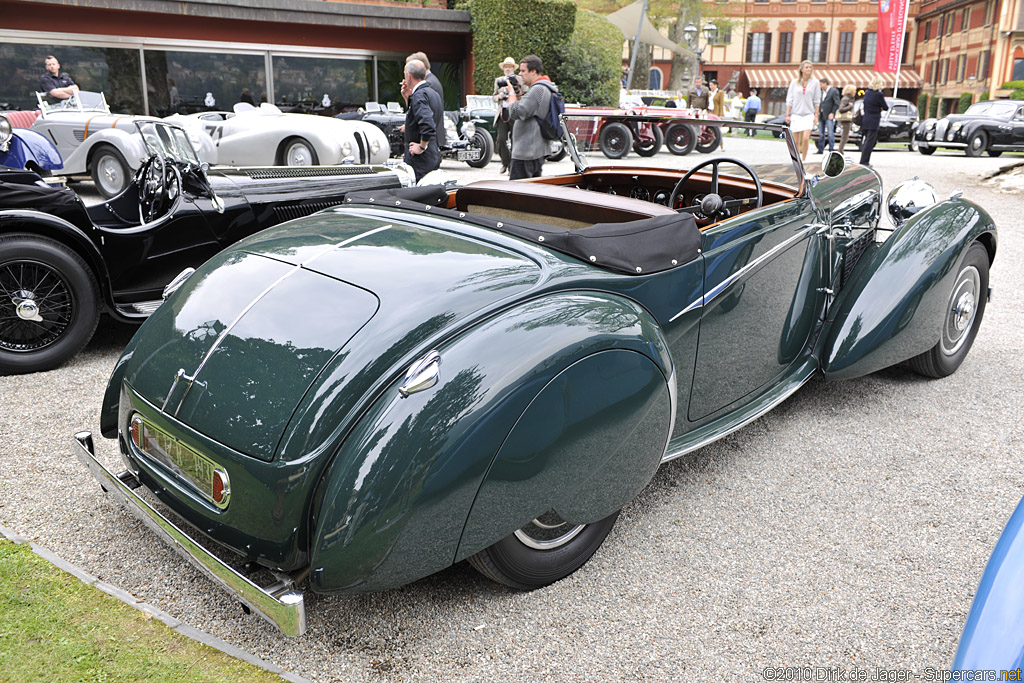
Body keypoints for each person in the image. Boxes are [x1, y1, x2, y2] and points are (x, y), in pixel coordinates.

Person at [504, 55, 558, 181]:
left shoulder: (538, 89)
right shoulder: (546, 87)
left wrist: (511, 95)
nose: (520, 74)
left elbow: (518, 112)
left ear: (533, 71)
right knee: (531, 194)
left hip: (526, 152)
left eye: (523, 71)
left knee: (517, 196)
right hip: (535, 151)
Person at [401, 60, 443, 182]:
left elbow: (428, 124)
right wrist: (408, 98)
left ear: (409, 75)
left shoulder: (420, 95)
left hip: (420, 159)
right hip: (432, 154)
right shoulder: (433, 93)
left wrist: (421, 147)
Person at [407, 52, 445, 148]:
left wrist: (422, 146)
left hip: (428, 142)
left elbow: (427, 119)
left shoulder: (425, 87)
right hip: (433, 140)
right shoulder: (432, 82)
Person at [785, 60, 821, 160]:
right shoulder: (794, 82)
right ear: (801, 69)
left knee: (805, 138)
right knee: (795, 141)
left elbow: (817, 100)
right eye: (806, 67)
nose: (808, 69)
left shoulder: (815, 83)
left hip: (808, 114)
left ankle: (804, 159)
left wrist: (816, 115)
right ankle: (796, 160)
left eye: (810, 67)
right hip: (796, 114)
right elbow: (790, 99)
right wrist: (787, 114)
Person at [492, 57, 520, 175]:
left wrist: (515, 92)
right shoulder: (499, 81)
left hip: (514, 112)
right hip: (503, 112)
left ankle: (513, 165)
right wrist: (499, 96)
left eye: (509, 67)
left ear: (513, 68)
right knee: (501, 139)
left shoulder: (519, 80)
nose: (507, 69)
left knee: (515, 140)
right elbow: (493, 96)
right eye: (506, 67)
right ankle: (505, 162)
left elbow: (524, 94)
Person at [859, 75, 889, 167]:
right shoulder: (879, 94)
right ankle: (864, 161)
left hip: (866, 118)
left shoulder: (867, 93)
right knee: (870, 141)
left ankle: (863, 159)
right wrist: (879, 108)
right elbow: (886, 107)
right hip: (874, 119)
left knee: (867, 140)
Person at [815, 77, 841, 154]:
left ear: (825, 83)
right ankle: (820, 149)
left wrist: (832, 113)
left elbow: (837, 103)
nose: (820, 86)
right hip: (821, 114)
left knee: (830, 133)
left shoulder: (833, 91)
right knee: (821, 133)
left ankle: (831, 149)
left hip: (829, 115)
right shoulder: (821, 92)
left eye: (821, 84)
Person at [836, 84, 856, 154]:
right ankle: (840, 150)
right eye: (854, 90)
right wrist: (850, 106)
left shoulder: (849, 98)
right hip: (845, 119)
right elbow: (841, 109)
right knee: (845, 136)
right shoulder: (846, 99)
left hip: (848, 119)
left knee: (846, 135)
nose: (855, 92)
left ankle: (841, 149)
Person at [709, 78, 726, 151]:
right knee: (710, 129)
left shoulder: (720, 93)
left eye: (712, 85)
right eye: (710, 85)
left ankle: (721, 145)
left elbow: (721, 104)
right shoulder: (710, 93)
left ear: (715, 85)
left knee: (717, 129)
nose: (711, 87)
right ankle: (711, 143)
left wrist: (721, 114)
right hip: (710, 112)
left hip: (716, 112)